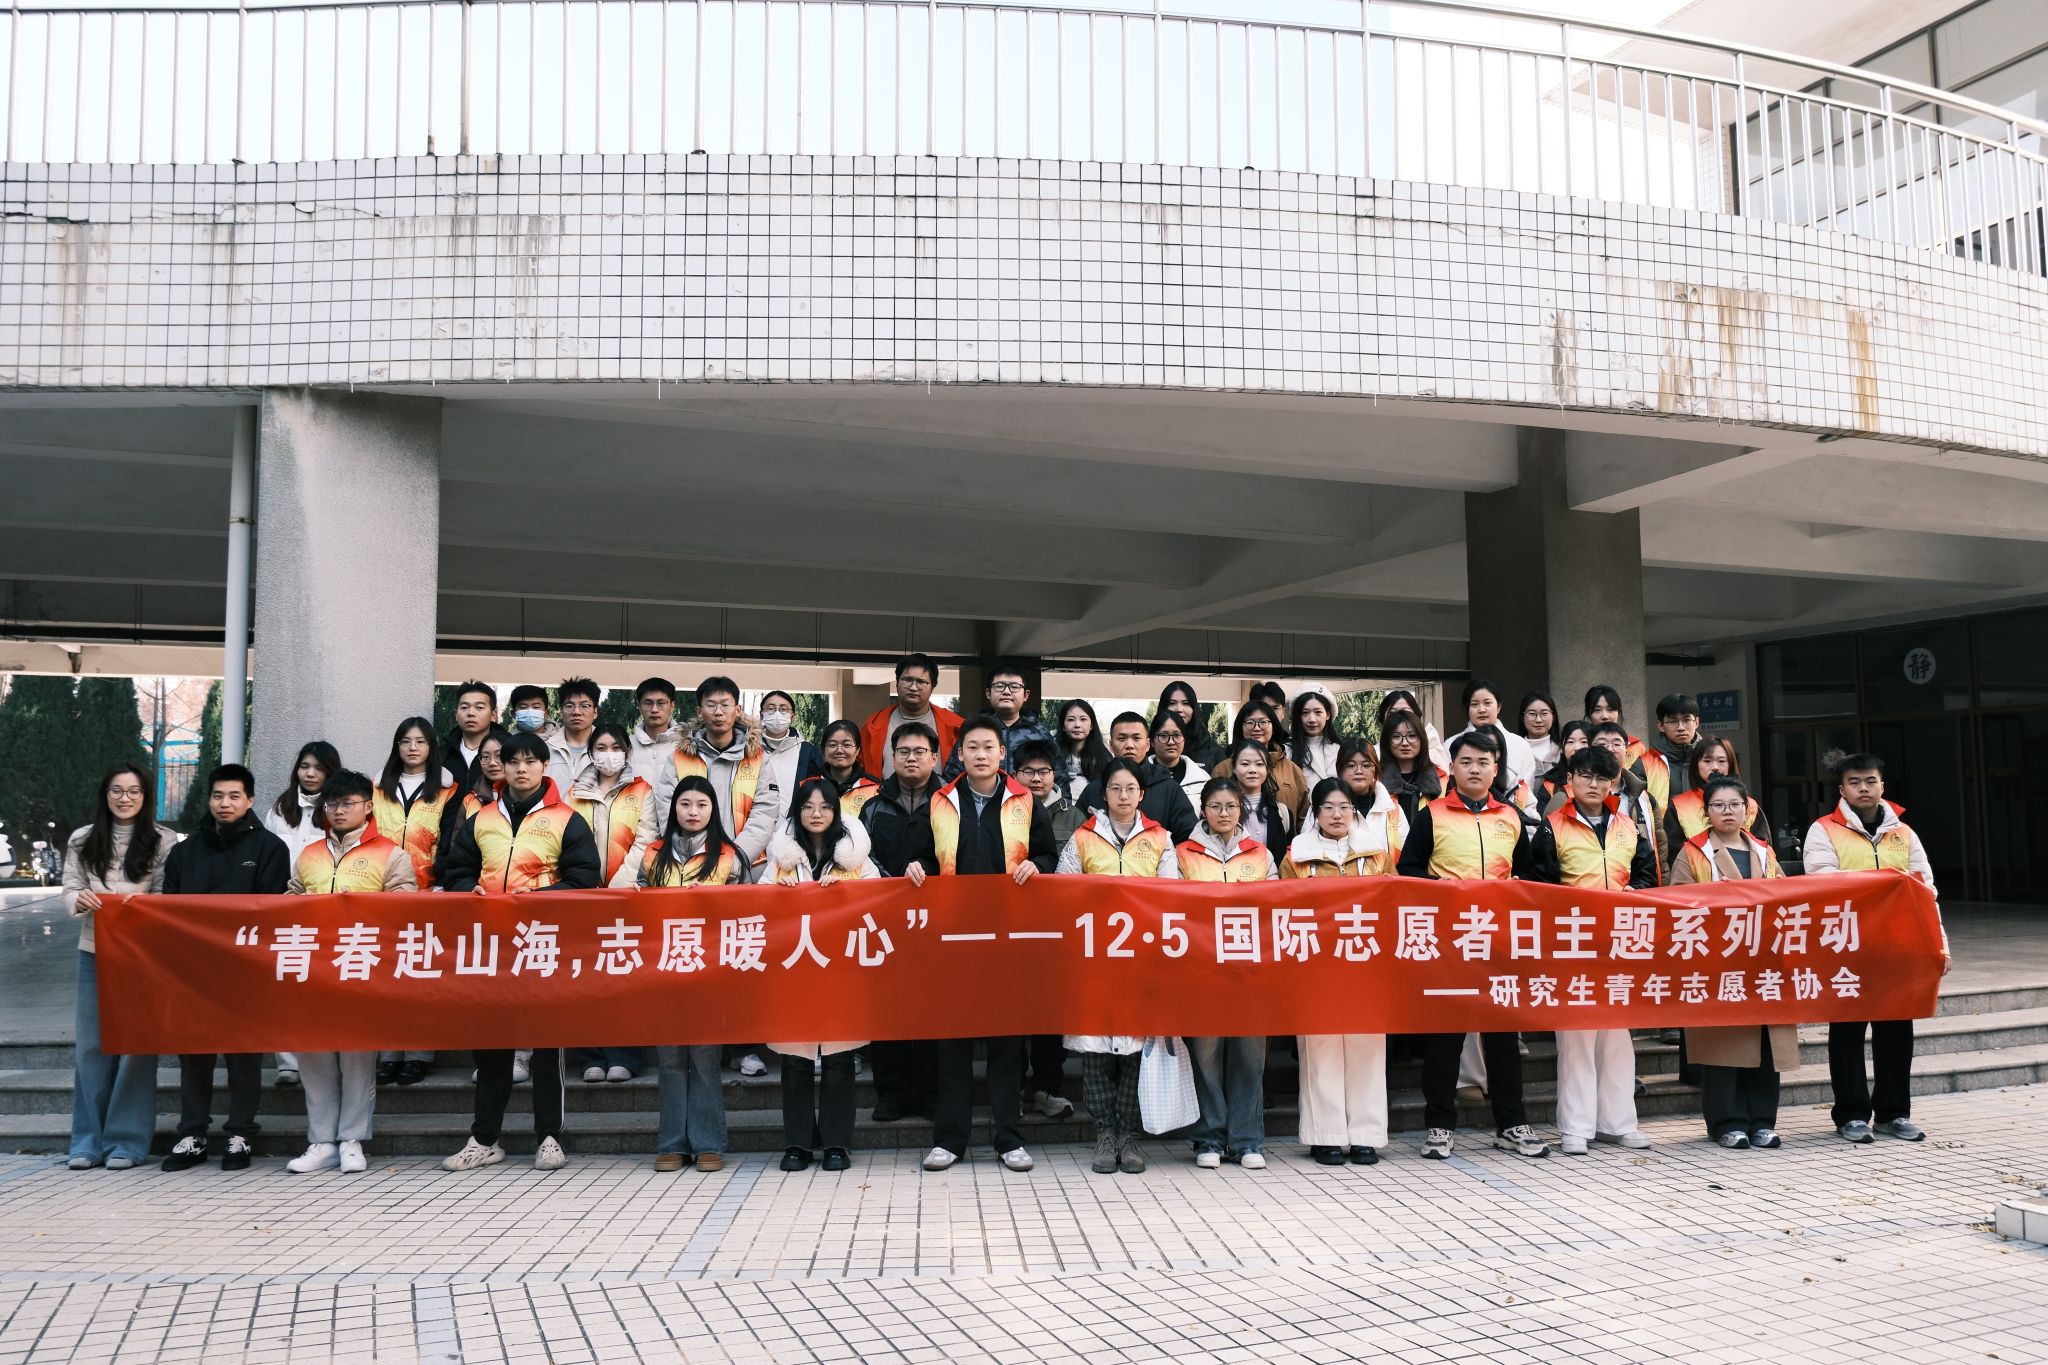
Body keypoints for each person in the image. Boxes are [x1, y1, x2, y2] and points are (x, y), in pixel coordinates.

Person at [438, 730, 602, 1175]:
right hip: (492, 946)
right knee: (492, 1047)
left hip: (544, 944)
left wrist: (541, 898)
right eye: (514, 761)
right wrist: (465, 889)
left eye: (531, 761)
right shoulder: (481, 818)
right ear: (502, 768)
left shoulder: (568, 819)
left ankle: (549, 1137)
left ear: (545, 767)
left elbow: (585, 879)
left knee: (547, 1046)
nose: (521, 768)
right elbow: (456, 869)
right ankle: (484, 1140)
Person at [906, 715, 1058, 1172]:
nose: (980, 754)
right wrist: (916, 867)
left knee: (1006, 1043)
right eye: (972, 747)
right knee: (952, 1042)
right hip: (954, 938)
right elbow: (921, 856)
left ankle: (1009, 1138)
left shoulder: (1025, 801)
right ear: (960, 754)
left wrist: (1037, 866)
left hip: (1007, 937)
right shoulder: (940, 801)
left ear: (1001, 753)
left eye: (989, 747)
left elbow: (1048, 854)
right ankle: (950, 1140)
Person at [1397, 729, 1551, 1160]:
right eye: (1466, 762)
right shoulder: (1431, 815)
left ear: (1495, 768)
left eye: (1484, 762)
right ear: (1452, 768)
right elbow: (1408, 871)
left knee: (1503, 1038)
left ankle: (1511, 1124)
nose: (1475, 769)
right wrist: (1444, 889)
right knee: (1445, 1040)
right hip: (1449, 944)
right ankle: (1439, 1126)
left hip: (1498, 943)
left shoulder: (1511, 817)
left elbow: (1529, 875)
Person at [1803, 753, 1946, 1145]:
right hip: (1845, 946)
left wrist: (1940, 945)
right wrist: (1884, 884)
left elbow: (1927, 892)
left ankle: (1893, 1113)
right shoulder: (1823, 830)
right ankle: (1851, 1115)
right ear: (1841, 789)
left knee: (1897, 1033)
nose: (1863, 788)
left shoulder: (1904, 833)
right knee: (1847, 1034)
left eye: (1870, 781)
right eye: (1854, 782)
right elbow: (1823, 882)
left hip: (1898, 949)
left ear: (1883, 786)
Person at [282, 769, 415, 1174]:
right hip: (314, 967)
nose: (338, 811)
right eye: (332, 804)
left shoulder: (391, 853)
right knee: (314, 1054)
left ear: (368, 807)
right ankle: (321, 1140)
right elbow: (290, 897)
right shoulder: (309, 853)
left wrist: (361, 906)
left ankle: (352, 1139)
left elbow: (407, 906)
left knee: (357, 1055)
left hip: (362, 966)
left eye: (347, 803)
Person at [160, 763, 292, 1172]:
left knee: (244, 1057)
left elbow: (272, 912)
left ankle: (240, 1133)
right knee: (194, 1056)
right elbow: (167, 912)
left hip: (245, 972)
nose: (225, 803)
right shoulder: (184, 852)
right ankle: (192, 1135)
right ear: (209, 799)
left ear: (249, 800)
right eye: (218, 795)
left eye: (234, 796)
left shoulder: (270, 849)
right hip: (194, 973)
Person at [1056, 758, 1177, 1175]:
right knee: (1096, 1053)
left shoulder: (1160, 838)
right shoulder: (1084, 837)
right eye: (1115, 788)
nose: (1123, 796)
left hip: (1142, 960)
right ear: (1103, 793)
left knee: (1135, 1051)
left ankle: (1129, 1135)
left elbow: (1172, 896)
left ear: (1141, 794)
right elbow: (1064, 891)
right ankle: (1104, 1133)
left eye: (1130, 789)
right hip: (1095, 961)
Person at [1285, 776, 1406, 1166]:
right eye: (1328, 808)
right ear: (1315, 812)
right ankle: (1326, 1136)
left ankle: (1365, 1136)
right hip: (1316, 967)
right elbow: (1284, 911)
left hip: (1365, 965)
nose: (1336, 815)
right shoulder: (1296, 856)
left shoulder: (1376, 854)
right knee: (1320, 1050)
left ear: (1354, 811)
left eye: (1344, 807)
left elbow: (1393, 905)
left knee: (1366, 1048)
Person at [1671, 775, 1796, 1150]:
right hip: (1718, 962)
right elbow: (1677, 906)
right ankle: (1727, 1122)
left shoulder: (1763, 851)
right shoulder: (1693, 852)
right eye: (1719, 805)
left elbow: (1788, 897)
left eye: (1735, 804)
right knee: (1723, 1044)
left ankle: (1763, 1121)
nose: (1728, 811)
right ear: (1706, 812)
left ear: (1747, 809)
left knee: (1765, 1044)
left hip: (1764, 961)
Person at [1544, 746, 1657, 1155]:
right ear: (1570, 781)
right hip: (1572, 943)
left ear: (1613, 784)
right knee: (1576, 1036)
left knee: (1617, 1036)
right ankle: (1576, 1127)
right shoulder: (1552, 826)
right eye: (1585, 776)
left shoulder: (1628, 826)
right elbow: (1540, 885)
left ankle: (1618, 1123)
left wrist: (1635, 892)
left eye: (1602, 778)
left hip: (1619, 944)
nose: (1593, 784)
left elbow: (1647, 875)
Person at [764, 777, 880, 1172]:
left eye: (825, 807)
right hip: (793, 971)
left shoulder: (856, 858)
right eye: (808, 807)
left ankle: (836, 1143)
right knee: (795, 1060)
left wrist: (845, 893)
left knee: (838, 1059)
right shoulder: (780, 859)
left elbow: (879, 901)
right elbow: (757, 909)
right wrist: (780, 894)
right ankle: (797, 1143)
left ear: (837, 812)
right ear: (797, 812)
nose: (816, 814)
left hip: (840, 972)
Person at [635, 774, 749, 1173]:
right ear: (674, 809)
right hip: (665, 970)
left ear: (713, 810)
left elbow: (746, 915)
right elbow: (637, 909)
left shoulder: (730, 856)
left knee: (703, 1058)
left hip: (710, 973)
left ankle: (708, 1143)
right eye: (685, 804)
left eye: (702, 805)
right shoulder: (653, 853)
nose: (693, 812)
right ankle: (671, 1143)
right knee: (669, 1060)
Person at [63, 763, 174, 1171]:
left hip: (142, 957)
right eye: (116, 790)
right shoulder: (83, 838)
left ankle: (126, 1142)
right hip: (93, 950)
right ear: (105, 794)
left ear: (145, 796)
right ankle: (86, 1142)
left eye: (133, 791)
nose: (124, 798)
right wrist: (78, 900)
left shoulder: (163, 840)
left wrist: (143, 905)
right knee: (92, 1046)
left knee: (137, 1048)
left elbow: (167, 895)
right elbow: (71, 887)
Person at [1162, 777, 1277, 1168]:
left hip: (1249, 970)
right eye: (1215, 806)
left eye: (1231, 806)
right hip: (1202, 970)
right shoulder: (1183, 854)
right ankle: (1209, 1138)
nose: (1224, 813)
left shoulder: (1259, 854)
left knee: (1250, 1055)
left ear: (1241, 809)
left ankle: (1247, 1140)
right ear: (1203, 810)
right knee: (1206, 1054)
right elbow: (1174, 908)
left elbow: (1274, 907)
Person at [859, 721, 944, 1125]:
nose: (911, 758)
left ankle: (929, 1094)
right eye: (904, 752)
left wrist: (927, 871)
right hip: (885, 920)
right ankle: (891, 1094)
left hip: (936, 918)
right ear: (892, 758)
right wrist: (889, 881)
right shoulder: (872, 805)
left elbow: (955, 852)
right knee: (887, 1007)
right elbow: (860, 854)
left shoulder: (949, 802)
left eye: (920, 752)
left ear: (934, 757)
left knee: (931, 1007)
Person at [569, 722, 654, 1084]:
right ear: (590, 753)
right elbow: (567, 840)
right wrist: (587, 885)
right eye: (601, 748)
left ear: (627, 751)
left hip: (626, 898)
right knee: (586, 980)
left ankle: (624, 1057)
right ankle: (591, 1056)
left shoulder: (642, 791)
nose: (609, 755)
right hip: (584, 898)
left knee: (625, 979)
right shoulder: (574, 792)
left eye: (616, 747)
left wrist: (617, 888)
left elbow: (646, 840)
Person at [370, 718, 452, 1087]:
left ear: (432, 747)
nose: (413, 748)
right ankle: (389, 1054)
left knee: (421, 977)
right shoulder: (377, 789)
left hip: (427, 894)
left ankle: (418, 1054)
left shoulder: (447, 790)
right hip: (383, 894)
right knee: (387, 978)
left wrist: (440, 883)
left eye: (420, 741)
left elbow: (450, 841)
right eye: (405, 741)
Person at [636, 674, 782, 872]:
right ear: (699, 711)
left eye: (725, 705)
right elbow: (667, 810)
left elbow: (765, 813)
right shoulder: (679, 758)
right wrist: (694, 859)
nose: (718, 712)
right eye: (711, 705)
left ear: (738, 710)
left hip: (746, 866)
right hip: (690, 867)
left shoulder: (758, 759)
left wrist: (736, 859)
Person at [1010, 740, 1083, 1122]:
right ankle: (1011, 1090)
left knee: (1050, 1013)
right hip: (1008, 926)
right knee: (1011, 1011)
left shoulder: (1075, 816)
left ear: (1055, 775)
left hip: (1056, 929)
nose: (1036, 779)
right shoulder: (1004, 808)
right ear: (1015, 774)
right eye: (1028, 772)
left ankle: (1047, 1088)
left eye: (1043, 771)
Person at [1077, 711, 1197, 842]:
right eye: (1122, 739)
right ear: (1111, 745)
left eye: (1136, 738)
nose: (1129, 745)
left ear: (1148, 744)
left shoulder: (1169, 789)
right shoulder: (1094, 790)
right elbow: (1077, 838)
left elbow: (1188, 839)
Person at [1661, 736, 1772, 872]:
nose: (1714, 767)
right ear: (1696, 765)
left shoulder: (1750, 806)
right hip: (1700, 879)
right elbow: (1673, 856)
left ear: (1731, 764)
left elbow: (1764, 851)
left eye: (1721, 761)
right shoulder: (1679, 806)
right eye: (1707, 761)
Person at [858, 652, 963, 780]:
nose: (913, 687)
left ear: (933, 686)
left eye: (921, 682)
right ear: (897, 682)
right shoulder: (872, 726)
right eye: (907, 680)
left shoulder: (956, 727)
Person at [941, 661, 1054, 779]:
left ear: (1025, 695)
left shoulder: (1041, 734)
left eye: (1014, 687)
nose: (1006, 692)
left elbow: (1059, 777)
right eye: (999, 686)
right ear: (988, 693)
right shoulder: (974, 731)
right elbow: (951, 776)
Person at [1585, 685, 1671, 827]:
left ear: (1619, 713)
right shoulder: (1579, 748)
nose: (1605, 716)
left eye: (1611, 709)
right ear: (1589, 714)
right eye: (1597, 710)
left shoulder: (1637, 746)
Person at [1215, 700, 1309, 825]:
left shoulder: (1292, 770)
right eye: (1250, 722)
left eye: (1263, 722)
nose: (1257, 728)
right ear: (1240, 727)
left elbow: (1304, 817)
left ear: (1273, 727)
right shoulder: (1222, 769)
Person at [1446, 678, 1538, 795]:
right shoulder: (1451, 744)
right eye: (1474, 704)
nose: (1481, 710)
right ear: (1467, 709)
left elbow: (1526, 790)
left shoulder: (1520, 745)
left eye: (1487, 703)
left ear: (1498, 707)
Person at [1218, 738, 1292, 856]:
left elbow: (1288, 858)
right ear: (1234, 768)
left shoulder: (1282, 812)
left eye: (1259, 764)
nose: (1252, 770)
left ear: (1267, 769)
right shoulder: (1220, 811)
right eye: (1245, 764)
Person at [758, 689, 825, 804]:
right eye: (771, 709)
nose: (777, 714)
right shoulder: (748, 748)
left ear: (793, 716)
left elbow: (816, 790)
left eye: (783, 709)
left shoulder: (807, 752)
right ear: (761, 715)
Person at [1378, 710, 1445, 821]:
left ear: (1422, 739)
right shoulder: (1376, 780)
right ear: (1387, 742)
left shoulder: (1441, 779)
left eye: (1412, 736)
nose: (1405, 743)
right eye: (1396, 736)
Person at [544, 676, 603, 795]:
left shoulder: (609, 750)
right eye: (569, 706)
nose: (576, 712)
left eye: (584, 706)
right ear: (561, 711)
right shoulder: (545, 748)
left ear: (595, 712)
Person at [440, 680, 500, 793]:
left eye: (479, 707)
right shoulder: (442, 754)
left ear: (493, 715)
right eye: (464, 707)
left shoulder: (507, 752)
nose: (471, 713)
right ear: (456, 715)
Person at [1147, 710, 1212, 807]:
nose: (1171, 742)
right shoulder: (1139, 777)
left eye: (1177, 735)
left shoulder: (1202, 778)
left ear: (1184, 739)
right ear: (1152, 741)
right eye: (1163, 735)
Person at [818, 719, 881, 819]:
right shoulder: (809, 786)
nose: (839, 750)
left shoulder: (874, 789)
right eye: (832, 745)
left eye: (846, 745)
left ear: (857, 750)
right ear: (823, 750)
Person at [627, 676, 684, 783]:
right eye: (648, 703)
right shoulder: (627, 745)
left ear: (672, 706)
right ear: (639, 706)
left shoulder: (686, 745)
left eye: (661, 703)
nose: (654, 710)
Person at [1376, 689, 1450, 771]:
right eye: (1393, 713)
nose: (1400, 717)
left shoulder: (1433, 750)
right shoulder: (1374, 753)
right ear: (1383, 718)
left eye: (1406, 712)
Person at [1054, 698, 1114, 799]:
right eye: (1071, 719)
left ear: (1091, 725)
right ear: (1063, 725)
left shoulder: (1104, 759)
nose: (1077, 725)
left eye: (1083, 719)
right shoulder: (1052, 756)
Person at [1158, 680, 1225, 769]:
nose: (1179, 709)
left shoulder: (1213, 751)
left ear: (1194, 708)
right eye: (1172, 703)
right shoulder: (1150, 748)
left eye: (1185, 703)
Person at [1532, 720, 1593, 815]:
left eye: (1584, 741)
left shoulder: (1602, 780)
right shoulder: (1550, 784)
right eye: (1570, 742)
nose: (1577, 747)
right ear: (1561, 748)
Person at [1650, 694, 1702, 802]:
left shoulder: (1710, 757)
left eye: (1687, 720)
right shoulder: (1646, 763)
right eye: (1673, 721)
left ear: (1696, 722)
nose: (1681, 728)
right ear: (1661, 726)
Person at [1289, 685, 1343, 783]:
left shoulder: (1340, 750)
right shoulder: (1287, 751)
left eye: (1318, 712)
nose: (1312, 720)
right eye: (1305, 713)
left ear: (1328, 715)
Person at [1517, 691, 1561, 774]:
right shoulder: (1513, 750)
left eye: (1544, 713)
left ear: (1553, 717)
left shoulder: (1562, 751)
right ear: (1523, 718)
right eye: (1532, 714)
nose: (1538, 720)